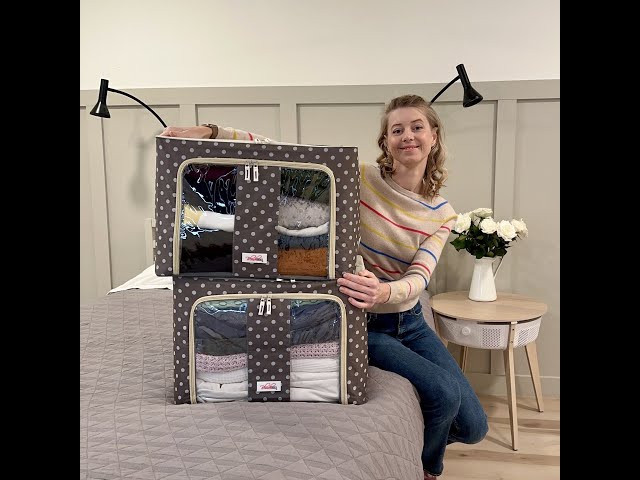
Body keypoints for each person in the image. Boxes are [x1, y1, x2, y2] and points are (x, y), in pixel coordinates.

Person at [161, 94, 488, 479]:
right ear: (386, 141)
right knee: (444, 393)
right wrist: (211, 131)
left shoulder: (443, 213)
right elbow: (277, 151)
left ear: (433, 136)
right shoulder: (359, 178)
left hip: (409, 320)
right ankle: (429, 468)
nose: (407, 136)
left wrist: (385, 292)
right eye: (397, 130)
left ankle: (424, 440)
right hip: (360, 320)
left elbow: (420, 276)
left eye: (417, 127)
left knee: (474, 427)